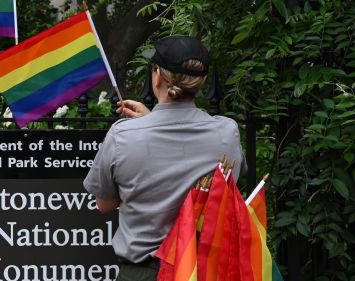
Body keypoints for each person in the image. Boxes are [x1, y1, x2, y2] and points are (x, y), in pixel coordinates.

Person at [83, 35, 247, 281]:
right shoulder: (227, 132)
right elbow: (230, 182)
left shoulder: (122, 136)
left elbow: (104, 204)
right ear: (200, 82)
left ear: (157, 76)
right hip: (206, 272)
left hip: (144, 272)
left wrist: (145, 127)